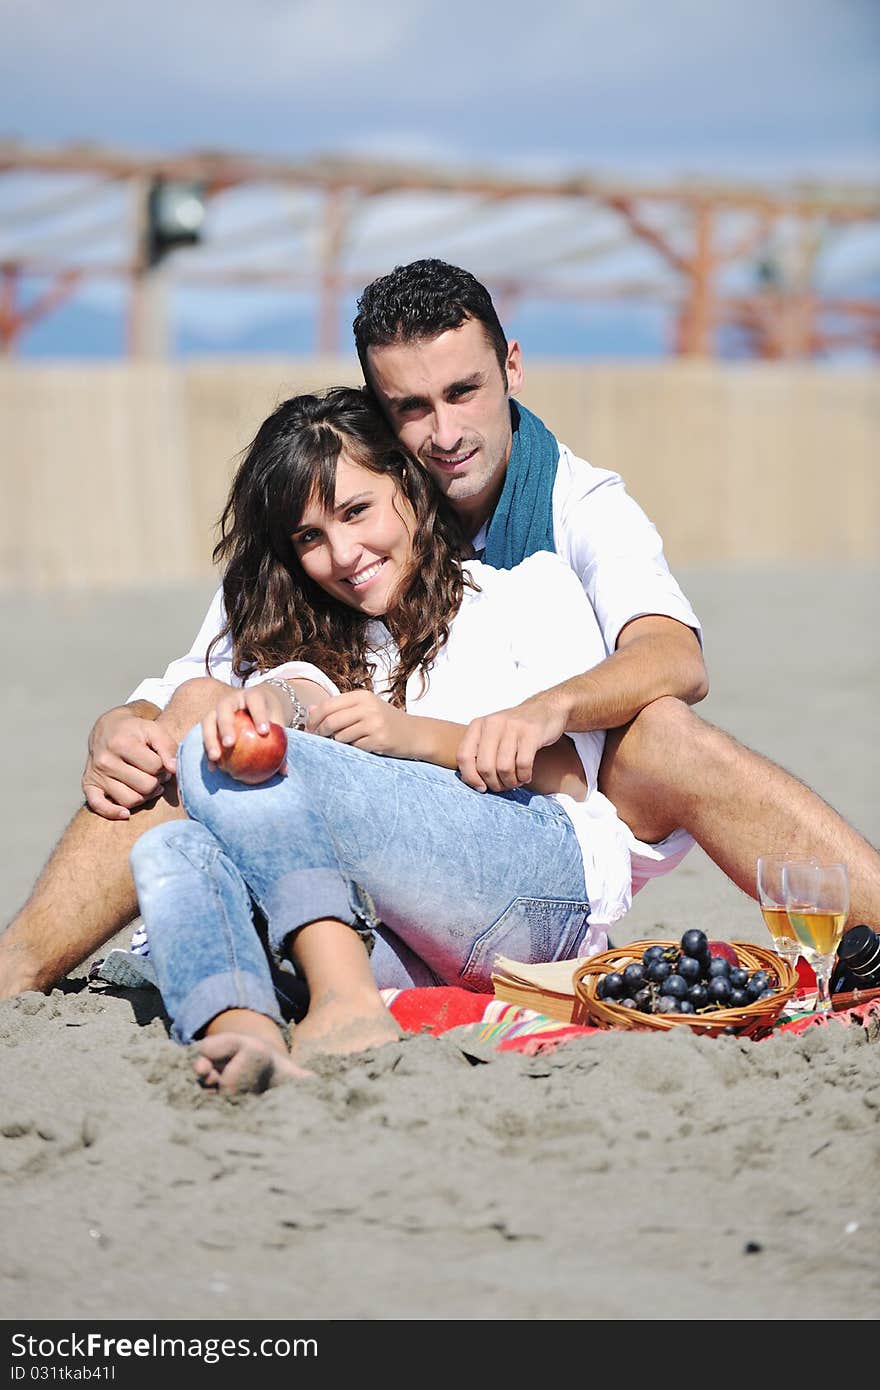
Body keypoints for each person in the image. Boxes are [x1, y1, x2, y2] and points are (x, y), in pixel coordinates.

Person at [2, 259, 878, 999]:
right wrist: (122, 725)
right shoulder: (318, 543)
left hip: (569, 818)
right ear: (381, 421)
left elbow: (674, 657)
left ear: (513, 370)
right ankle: (19, 971)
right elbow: (196, 682)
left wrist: (545, 708)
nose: (447, 432)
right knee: (189, 724)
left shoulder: (566, 513)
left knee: (662, 732)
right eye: (413, 408)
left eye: (465, 391)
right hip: (403, 837)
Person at [129, 386, 630, 1092]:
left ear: (407, 482)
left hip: (542, 896)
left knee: (222, 763)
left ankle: (344, 1000)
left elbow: (572, 780)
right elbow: (296, 691)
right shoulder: (326, 638)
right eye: (309, 537)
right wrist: (269, 704)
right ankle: (245, 1028)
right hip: (407, 934)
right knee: (170, 846)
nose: (343, 553)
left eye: (355, 511)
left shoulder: (524, 592)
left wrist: (412, 736)